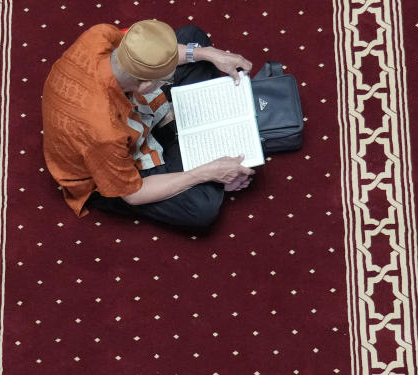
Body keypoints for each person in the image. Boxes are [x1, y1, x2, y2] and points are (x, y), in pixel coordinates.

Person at [41, 20, 256, 228]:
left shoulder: (99, 35)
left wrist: (206, 53)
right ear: (145, 85)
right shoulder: (103, 131)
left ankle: (175, 131)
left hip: (127, 114)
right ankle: (181, 139)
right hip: (113, 167)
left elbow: (142, 53)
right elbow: (133, 195)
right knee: (202, 208)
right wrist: (206, 174)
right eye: (164, 80)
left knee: (193, 38)